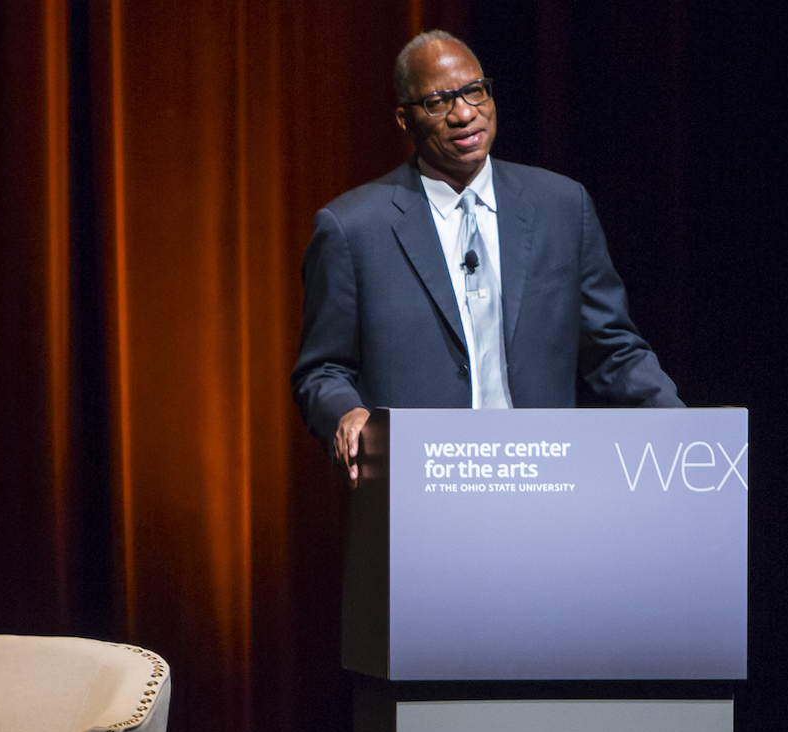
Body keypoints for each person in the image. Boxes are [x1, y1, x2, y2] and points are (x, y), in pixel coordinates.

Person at [291, 30, 681, 484]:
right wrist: (347, 413)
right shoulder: (352, 228)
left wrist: (685, 426)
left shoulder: (561, 206)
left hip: (545, 481)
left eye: (474, 92)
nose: (463, 114)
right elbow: (322, 369)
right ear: (404, 119)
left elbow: (612, 348)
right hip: (421, 485)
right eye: (438, 102)